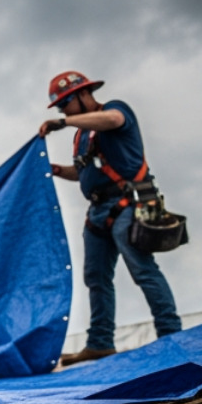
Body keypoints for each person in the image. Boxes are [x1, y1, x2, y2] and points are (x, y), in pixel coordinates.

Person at [39, 70, 180, 366]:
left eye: (65, 104)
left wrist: (63, 123)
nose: (64, 110)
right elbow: (84, 171)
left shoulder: (114, 110)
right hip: (97, 212)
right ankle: (100, 342)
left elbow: (112, 121)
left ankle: (171, 334)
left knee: (142, 269)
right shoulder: (81, 135)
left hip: (127, 204)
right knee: (96, 277)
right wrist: (59, 170)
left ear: (81, 95)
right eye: (61, 108)